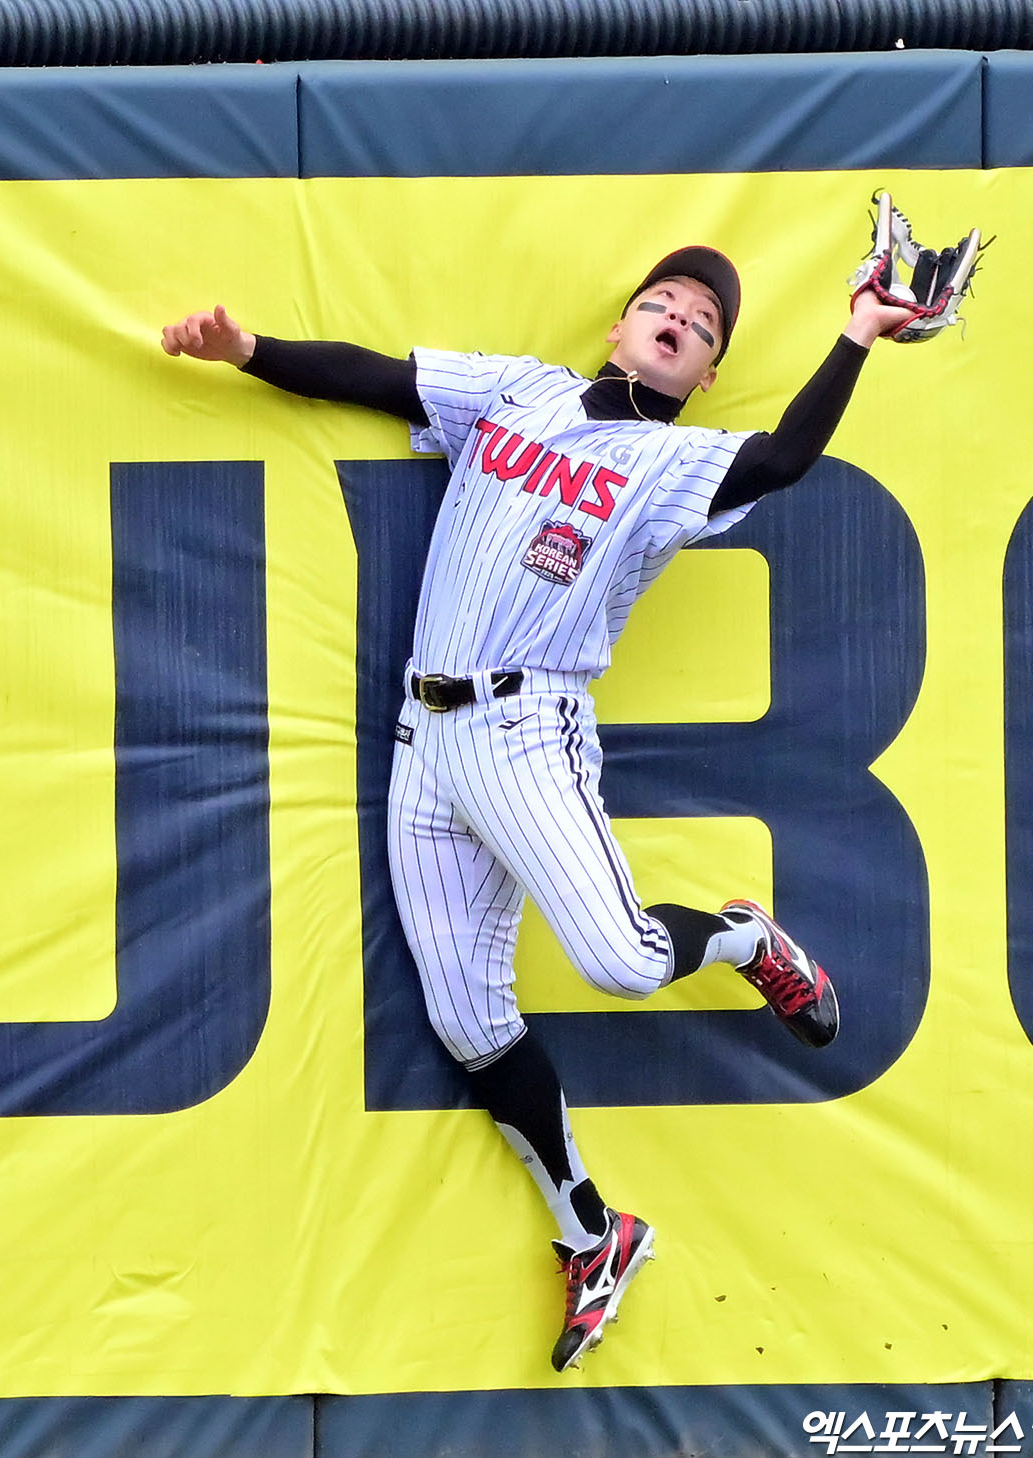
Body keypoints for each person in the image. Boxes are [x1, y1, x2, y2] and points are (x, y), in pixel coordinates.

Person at [161, 246, 912, 1372]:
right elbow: (373, 375)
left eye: (702, 323)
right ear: (617, 328)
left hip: (528, 728)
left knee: (616, 957)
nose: (676, 317)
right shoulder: (517, 392)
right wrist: (249, 351)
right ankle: (593, 1232)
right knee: (469, 1022)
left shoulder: (670, 459)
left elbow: (789, 456)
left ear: (704, 372)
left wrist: (855, 334)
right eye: (660, 302)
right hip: (424, 738)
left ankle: (751, 938)